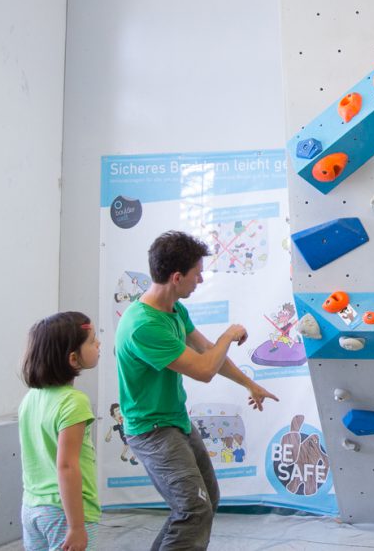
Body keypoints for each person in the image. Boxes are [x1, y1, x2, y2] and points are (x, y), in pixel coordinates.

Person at [115, 231, 279, 550]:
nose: (201, 279)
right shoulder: (143, 326)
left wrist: (249, 383)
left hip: (174, 421)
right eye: (197, 273)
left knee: (206, 500)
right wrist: (229, 334)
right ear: (177, 277)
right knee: (193, 509)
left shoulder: (173, 308)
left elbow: (207, 352)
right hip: (152, 430)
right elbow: (205, 370)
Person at [18, 311, 102, 551]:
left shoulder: (30, 399)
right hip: (65, 514)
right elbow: (67, 466)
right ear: (73, 359)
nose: (99, 343)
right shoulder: (74, 402)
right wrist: (76, 526)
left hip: (32, 508)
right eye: (92, 340)